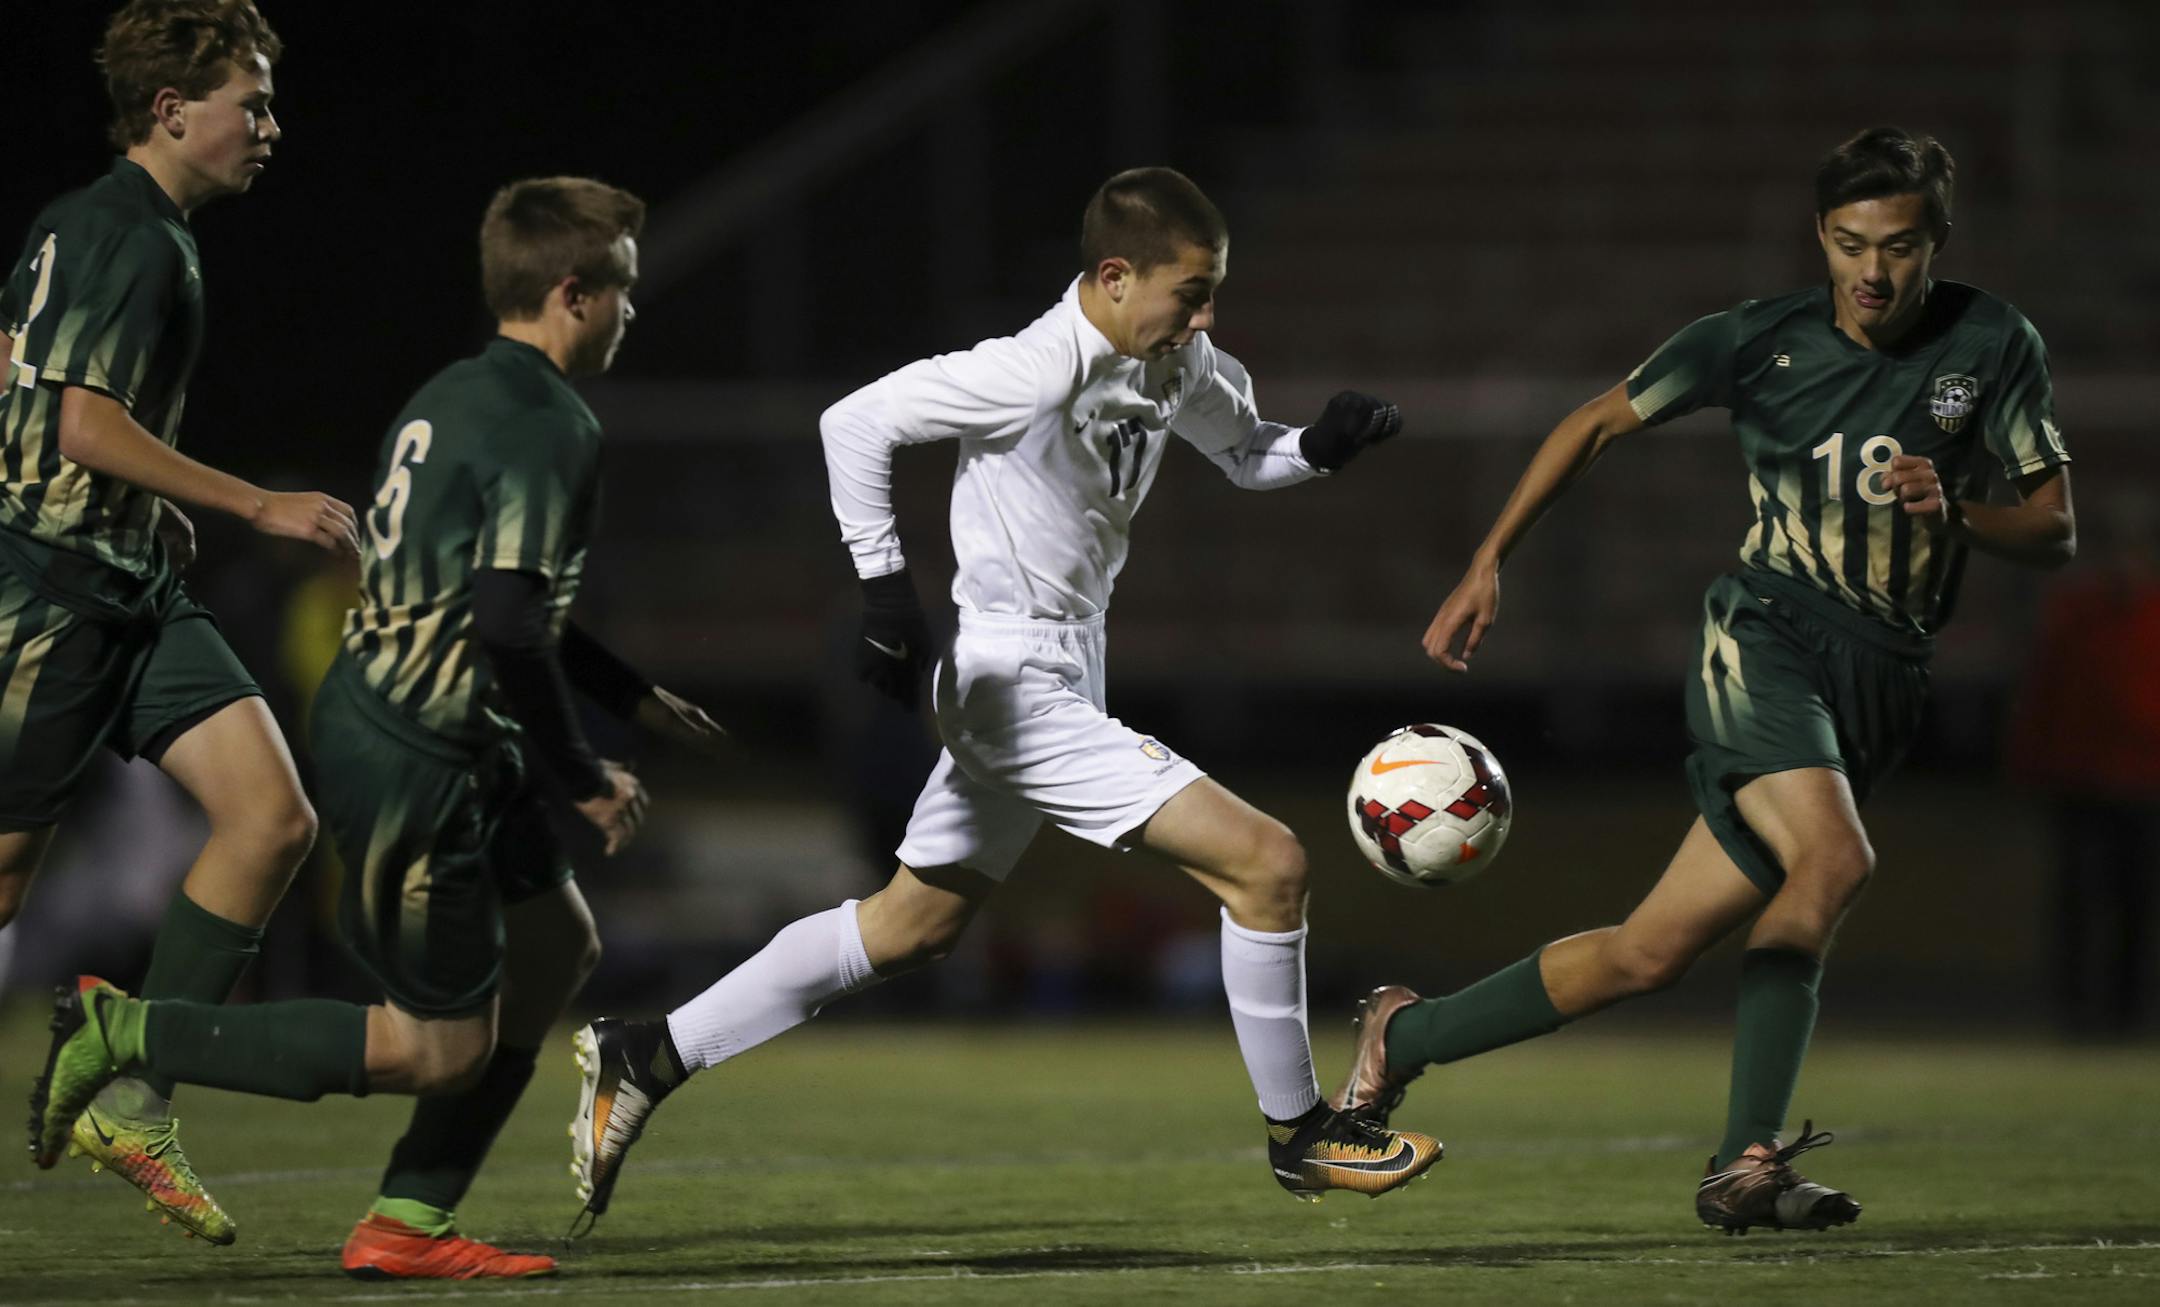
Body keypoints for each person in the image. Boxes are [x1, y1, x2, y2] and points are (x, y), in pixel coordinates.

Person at [564, 166, 1441, 1227]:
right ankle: (1302, 1135)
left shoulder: (1177, 357)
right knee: (1268, 862)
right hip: (1013, 683)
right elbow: (856, 422)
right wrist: (883, 585)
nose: (1207, 312)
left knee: (907, 927)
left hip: (1062, 671)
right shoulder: (1031, 368)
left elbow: (1245, 450)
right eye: (1192, 289)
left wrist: (1319, 448)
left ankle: (646, 1051)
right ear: (1114, 276)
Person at [1335, 126, 2076, 1235]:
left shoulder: (1995, 342)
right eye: (1848, 242)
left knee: (1648, 952)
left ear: (1938, 243)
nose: (1872, 271)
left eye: (1900, 246)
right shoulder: (1756, 340)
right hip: (1766, 638)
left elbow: (2054, 527)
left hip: (1882, 681)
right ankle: (1748, 1161)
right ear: (1820, 239)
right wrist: (1489, 561)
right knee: (1832, 858)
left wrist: (1958, 510)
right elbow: (1594, 421)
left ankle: (1406, 1033)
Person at [30, 175, 727, 1281]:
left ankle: (408, 1218)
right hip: (416, 750)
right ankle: (130, 1033)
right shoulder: (553, 423)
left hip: (438, 724)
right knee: (432, 1046)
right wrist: (585, 769)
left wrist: (630, 693)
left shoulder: (450, 393)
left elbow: (501, 597)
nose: (632, 314)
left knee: (557, 947)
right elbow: (505, 619)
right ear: (573, 292)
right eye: (624, 292)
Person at [0, 0, 358, 1244]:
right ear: (172, 111)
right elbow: (81, 426)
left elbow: (23, 379)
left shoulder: (112, 226)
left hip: (128, 582)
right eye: (249, 102)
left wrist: (150, 509)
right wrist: (255, 498)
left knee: (271, 818)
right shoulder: (130, 236)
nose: (269, 124)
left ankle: (137, 1100)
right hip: (48, 591)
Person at [2004, 488, 2160, 1037]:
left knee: (2135, 904)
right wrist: (2032, 764)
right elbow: (2045, 696)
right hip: (2083, 781)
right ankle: (2076, 1011)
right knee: (2078, 903)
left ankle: (2127, 1012)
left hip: (2144, 785)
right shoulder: (2075, 617)